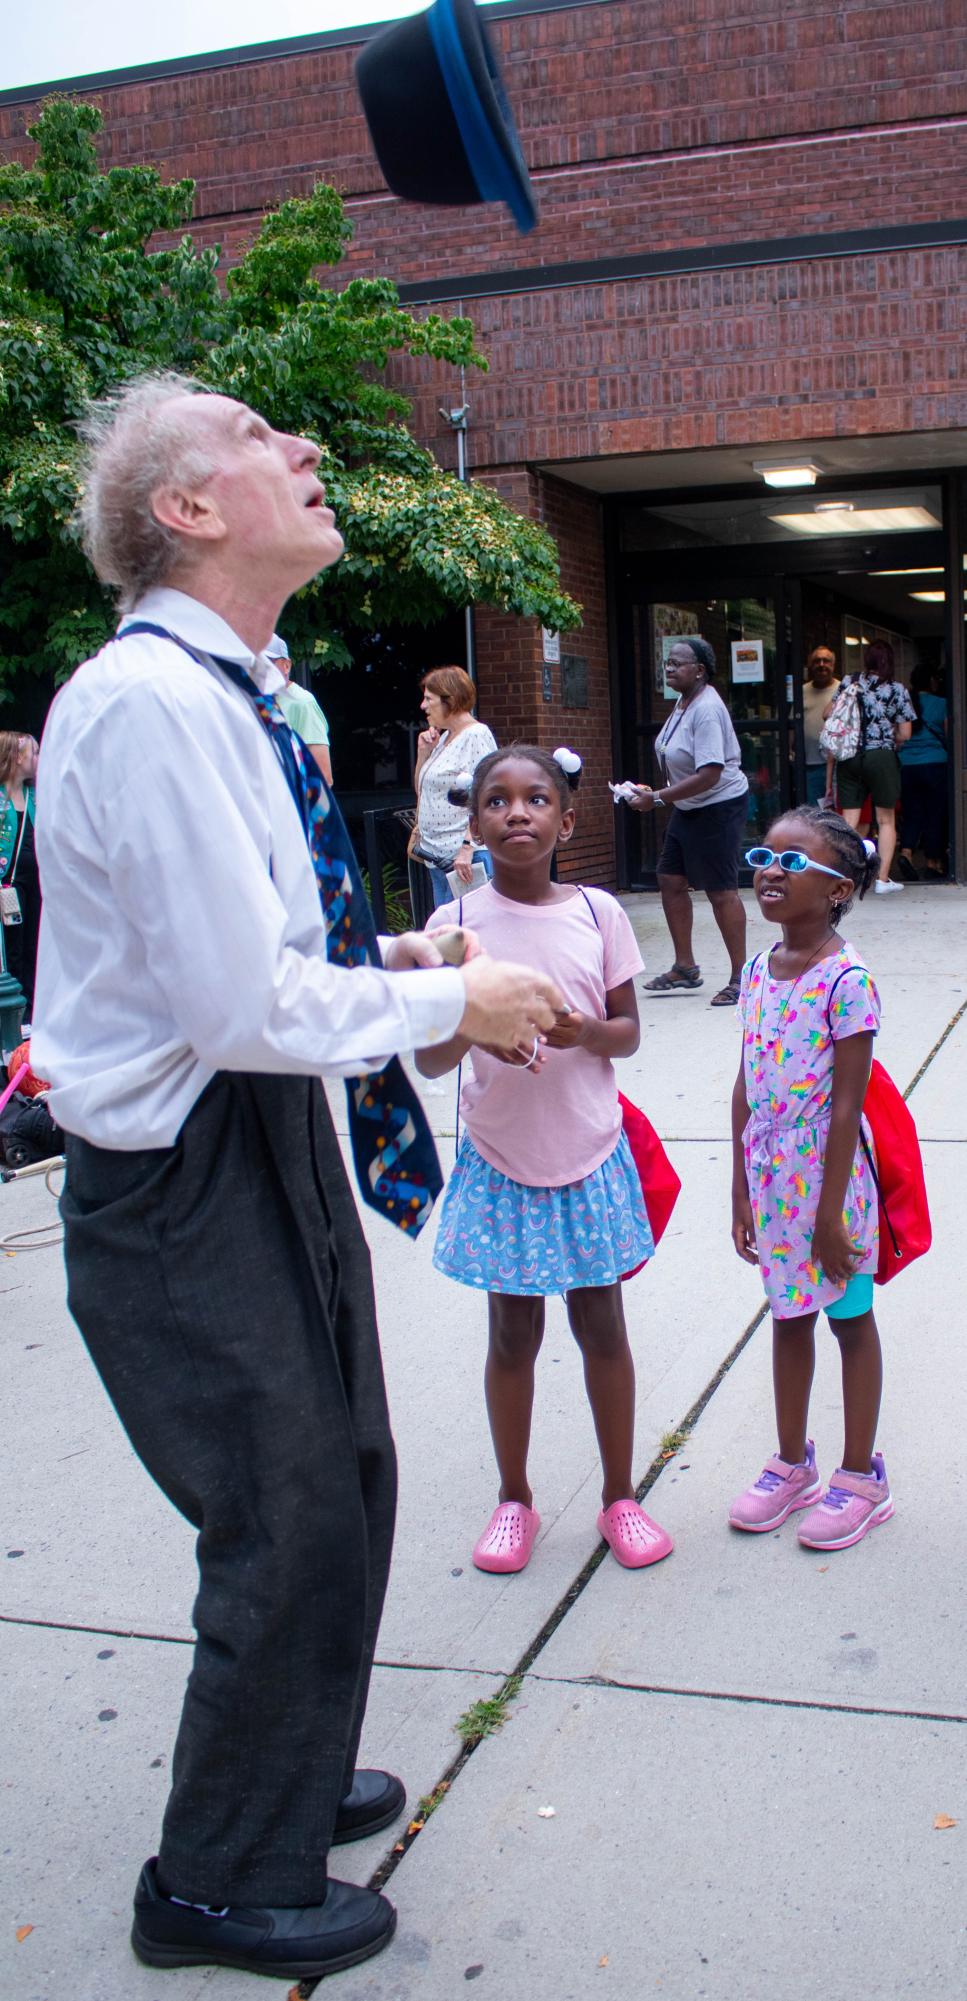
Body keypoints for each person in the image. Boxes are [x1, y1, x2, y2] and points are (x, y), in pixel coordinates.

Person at [30, 371, 564, 1984]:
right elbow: (238, 1008)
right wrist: (448, 1000)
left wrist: (395, 954)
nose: (310, 444)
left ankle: (286, 1772)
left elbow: (253, 959)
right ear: (186, 513)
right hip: (186, 1173)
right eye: (266, 436)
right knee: (283, 1514)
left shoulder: (239, 692)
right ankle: (213, 1878)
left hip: (259, 1131)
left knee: (344, 1475)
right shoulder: (147, 703)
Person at [416, 744, 674, 1575]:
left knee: (602, 1326)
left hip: (589, 1152)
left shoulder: (597, 914)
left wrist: (582, 1031)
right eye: (497, 800)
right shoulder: (452, 931)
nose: (516, 812)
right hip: (499, 1157)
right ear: (474, 821)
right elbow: (427, 1061)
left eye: (536, 799)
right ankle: (514, 1498)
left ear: (567, 819)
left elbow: (628, 1034)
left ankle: (620, 1495)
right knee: (510, 1333)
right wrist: (475, 1019)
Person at [729, 805, 893, 1551]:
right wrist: (738, 1184)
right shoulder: (758, 968)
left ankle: (861, 1476)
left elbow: (845, 1108)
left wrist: (830, 1215)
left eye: (792, 863)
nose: (769, 870)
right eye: (764, 855)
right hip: (771, 1180)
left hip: (831, 1186)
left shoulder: (846, 978)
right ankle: (791, 1463)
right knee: (787, 1316)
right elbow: (744, 1081)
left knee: (848, 1319)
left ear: (836, 889)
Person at [627, 636, 749, 1007]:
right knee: (670, 878)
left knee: (720, 890)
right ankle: (685, 967)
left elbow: (711, 772)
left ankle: (742, 978)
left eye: (677, 663)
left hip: (718, 805)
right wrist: (660, 790)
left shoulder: (706, 708)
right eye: (667, 662)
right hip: (690, 805)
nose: (669, 668)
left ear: (699, 671)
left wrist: (660, 798)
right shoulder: (683, 702)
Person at [834, 640, 915, 895]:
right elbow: (905, 733)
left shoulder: (850, 682)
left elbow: (829, 712)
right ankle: (881, 879)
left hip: (850, 754)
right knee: (886, 819)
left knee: (849, 820)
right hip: (881, 755)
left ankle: (846, 876)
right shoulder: (896, 689)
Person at [413, 666, 496, 906]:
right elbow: (423, 793)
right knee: (447, 935)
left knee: (468, 933)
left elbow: (487, 795)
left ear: (450, 699)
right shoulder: (444, 739)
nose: (423, 706)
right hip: (436, 857)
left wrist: (468, 848)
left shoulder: (476, 735)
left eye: (429, 699)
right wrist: (423, 754)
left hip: (463, 859)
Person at [0, 730, 41, 1025]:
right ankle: (11, 1017)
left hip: (37, 885)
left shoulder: (36, 797)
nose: (38, 759)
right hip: (8, 888)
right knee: (11, 949)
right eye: (34, 753)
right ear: (16, 757)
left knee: (33, 945)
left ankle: (31, 1013)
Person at [898, 663, 948, 879]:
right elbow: (949, 735)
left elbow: (898, 733)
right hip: (935, 764)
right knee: (934, 813)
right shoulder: (942, 703)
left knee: (912, 811)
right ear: (931, 682)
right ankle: (932, 861)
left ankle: (906, 853)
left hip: (906, 765)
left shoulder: (906, 702)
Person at [266, 634, 333, 785]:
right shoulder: (256, 700)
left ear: (287, 665)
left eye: (268, 662)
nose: (261, 668)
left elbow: (323, 777)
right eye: (255, 662)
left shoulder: (302, 703)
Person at [801, 646, 838, 805]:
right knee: (814, 814)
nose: (822, 664)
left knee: (835, 813)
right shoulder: (801, 691)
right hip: (809, 765)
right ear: (810, 665)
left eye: (826, 661)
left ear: (833, 665)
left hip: (837, 765)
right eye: (817, 661)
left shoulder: (842, 690)